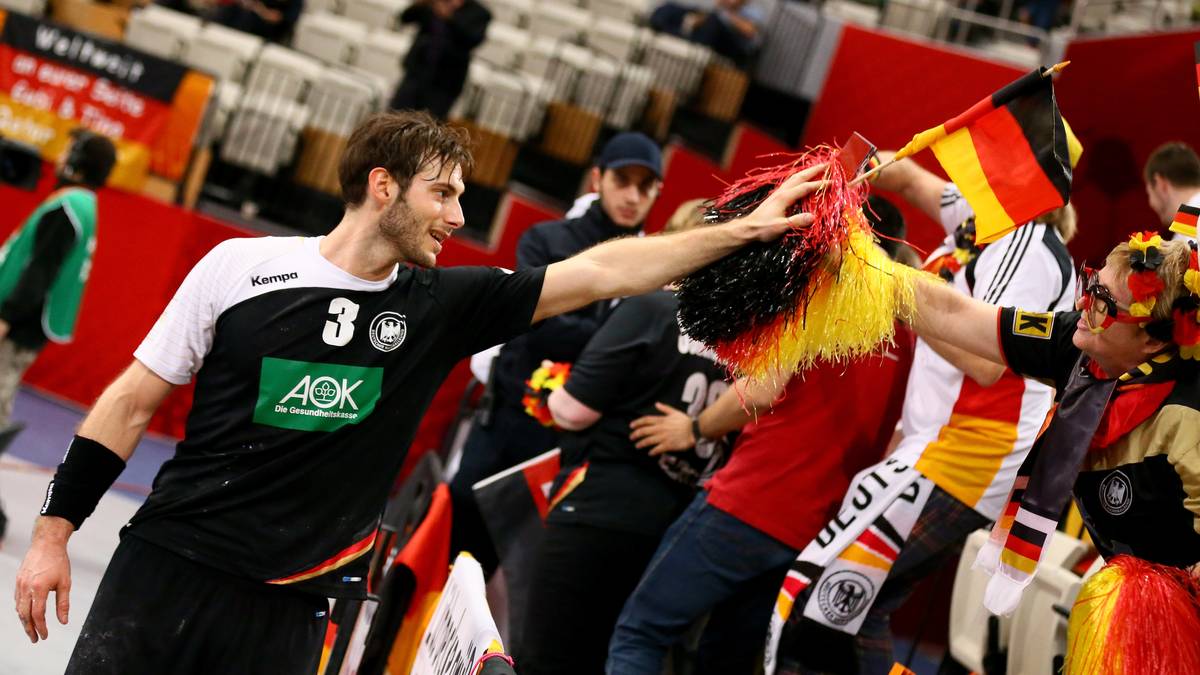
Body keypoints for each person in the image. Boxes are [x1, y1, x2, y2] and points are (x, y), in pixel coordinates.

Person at [11, 110, 823, 674]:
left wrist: (740, 232)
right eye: (444, 193)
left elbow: (603, 269)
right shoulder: (236, 269)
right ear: (383, 185)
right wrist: (53, 534)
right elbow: (127, 403)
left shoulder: (441, 305)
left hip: (299, 602)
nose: (459, 213)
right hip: (168, 568)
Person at [774, 151, 1078, 675]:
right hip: (936, 445)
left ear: (1021, 176)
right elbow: (909, 177)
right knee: (854, 612)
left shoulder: (1027, 246)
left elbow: (987, 363)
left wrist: (883, 279)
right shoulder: (981, 213)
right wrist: (849, 161)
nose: (971, 161)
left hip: (971, 451)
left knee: (824, 603)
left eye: (988, 152)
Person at [604, 197, 915, 675]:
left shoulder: (822, 294)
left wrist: (693, 428)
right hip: (818, 528)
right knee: (725, 663)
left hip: (749, 503)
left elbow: (762, 389)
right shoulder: (908, 331)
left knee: (639, 632)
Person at [899, 233, 1200, 598]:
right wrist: (873, 274)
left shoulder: (1188, 416)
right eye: (1090, 284)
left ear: (1152, 341)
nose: (1085, 304)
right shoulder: (1079, 341)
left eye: (1103, 303)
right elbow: (961, 316)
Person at [517, 210, 731, 674]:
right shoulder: (742, 338)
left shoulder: (651, 307)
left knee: (545, 656)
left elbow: (573, 410)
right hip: (672, 520)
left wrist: (549, 390)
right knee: (606, 656)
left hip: (600, 502)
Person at [451, 132, 663, 577]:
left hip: (571, 445)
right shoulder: (545, 239)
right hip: (507, 420)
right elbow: (540, 327)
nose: (632, 195)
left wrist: (593, 337)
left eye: (646, 186)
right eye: (622, 179)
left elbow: (629, 356)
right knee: (455, 548)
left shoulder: (650, 264)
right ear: (596, 178)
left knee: (520, 572)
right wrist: (609, 339)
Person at [0, 128, 115, 543]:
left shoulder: (68, 205)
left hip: (16, 326)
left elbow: (39, 270)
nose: (59, 154)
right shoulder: (85, 205)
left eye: (67, 149)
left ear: (77, 161)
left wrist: (6, 317)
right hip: (25, 326)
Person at [390, 0, 490, 119]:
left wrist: (449, 16)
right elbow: (405, 18)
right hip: (416, 72)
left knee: (429, 124)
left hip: (445, 82)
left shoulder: (479, 12)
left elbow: (472, 38)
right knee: (395, 116)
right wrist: (421, 3)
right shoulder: (433, 2)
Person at [649, 0, 764, 68]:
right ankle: (659, 24)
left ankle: (677, 35)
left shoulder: (753, 12)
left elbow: (750, 31)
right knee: (670, 8)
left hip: (732, 47)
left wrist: (727, 12)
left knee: (714, 22)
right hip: (707, 33)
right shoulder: (719, 7)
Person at [1143, 141, 1200, 243]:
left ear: (1161, 185)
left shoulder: (1190, 232)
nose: (1151, 204)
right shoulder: (1186, 229)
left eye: (1149, 193)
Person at [211, 0, 302, 42]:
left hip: (270, 32)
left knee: (246, 17)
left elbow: (278, 18)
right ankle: (213, 32)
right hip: (251, 18)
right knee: (231, 10)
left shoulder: (296, 2)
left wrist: (262, 11)